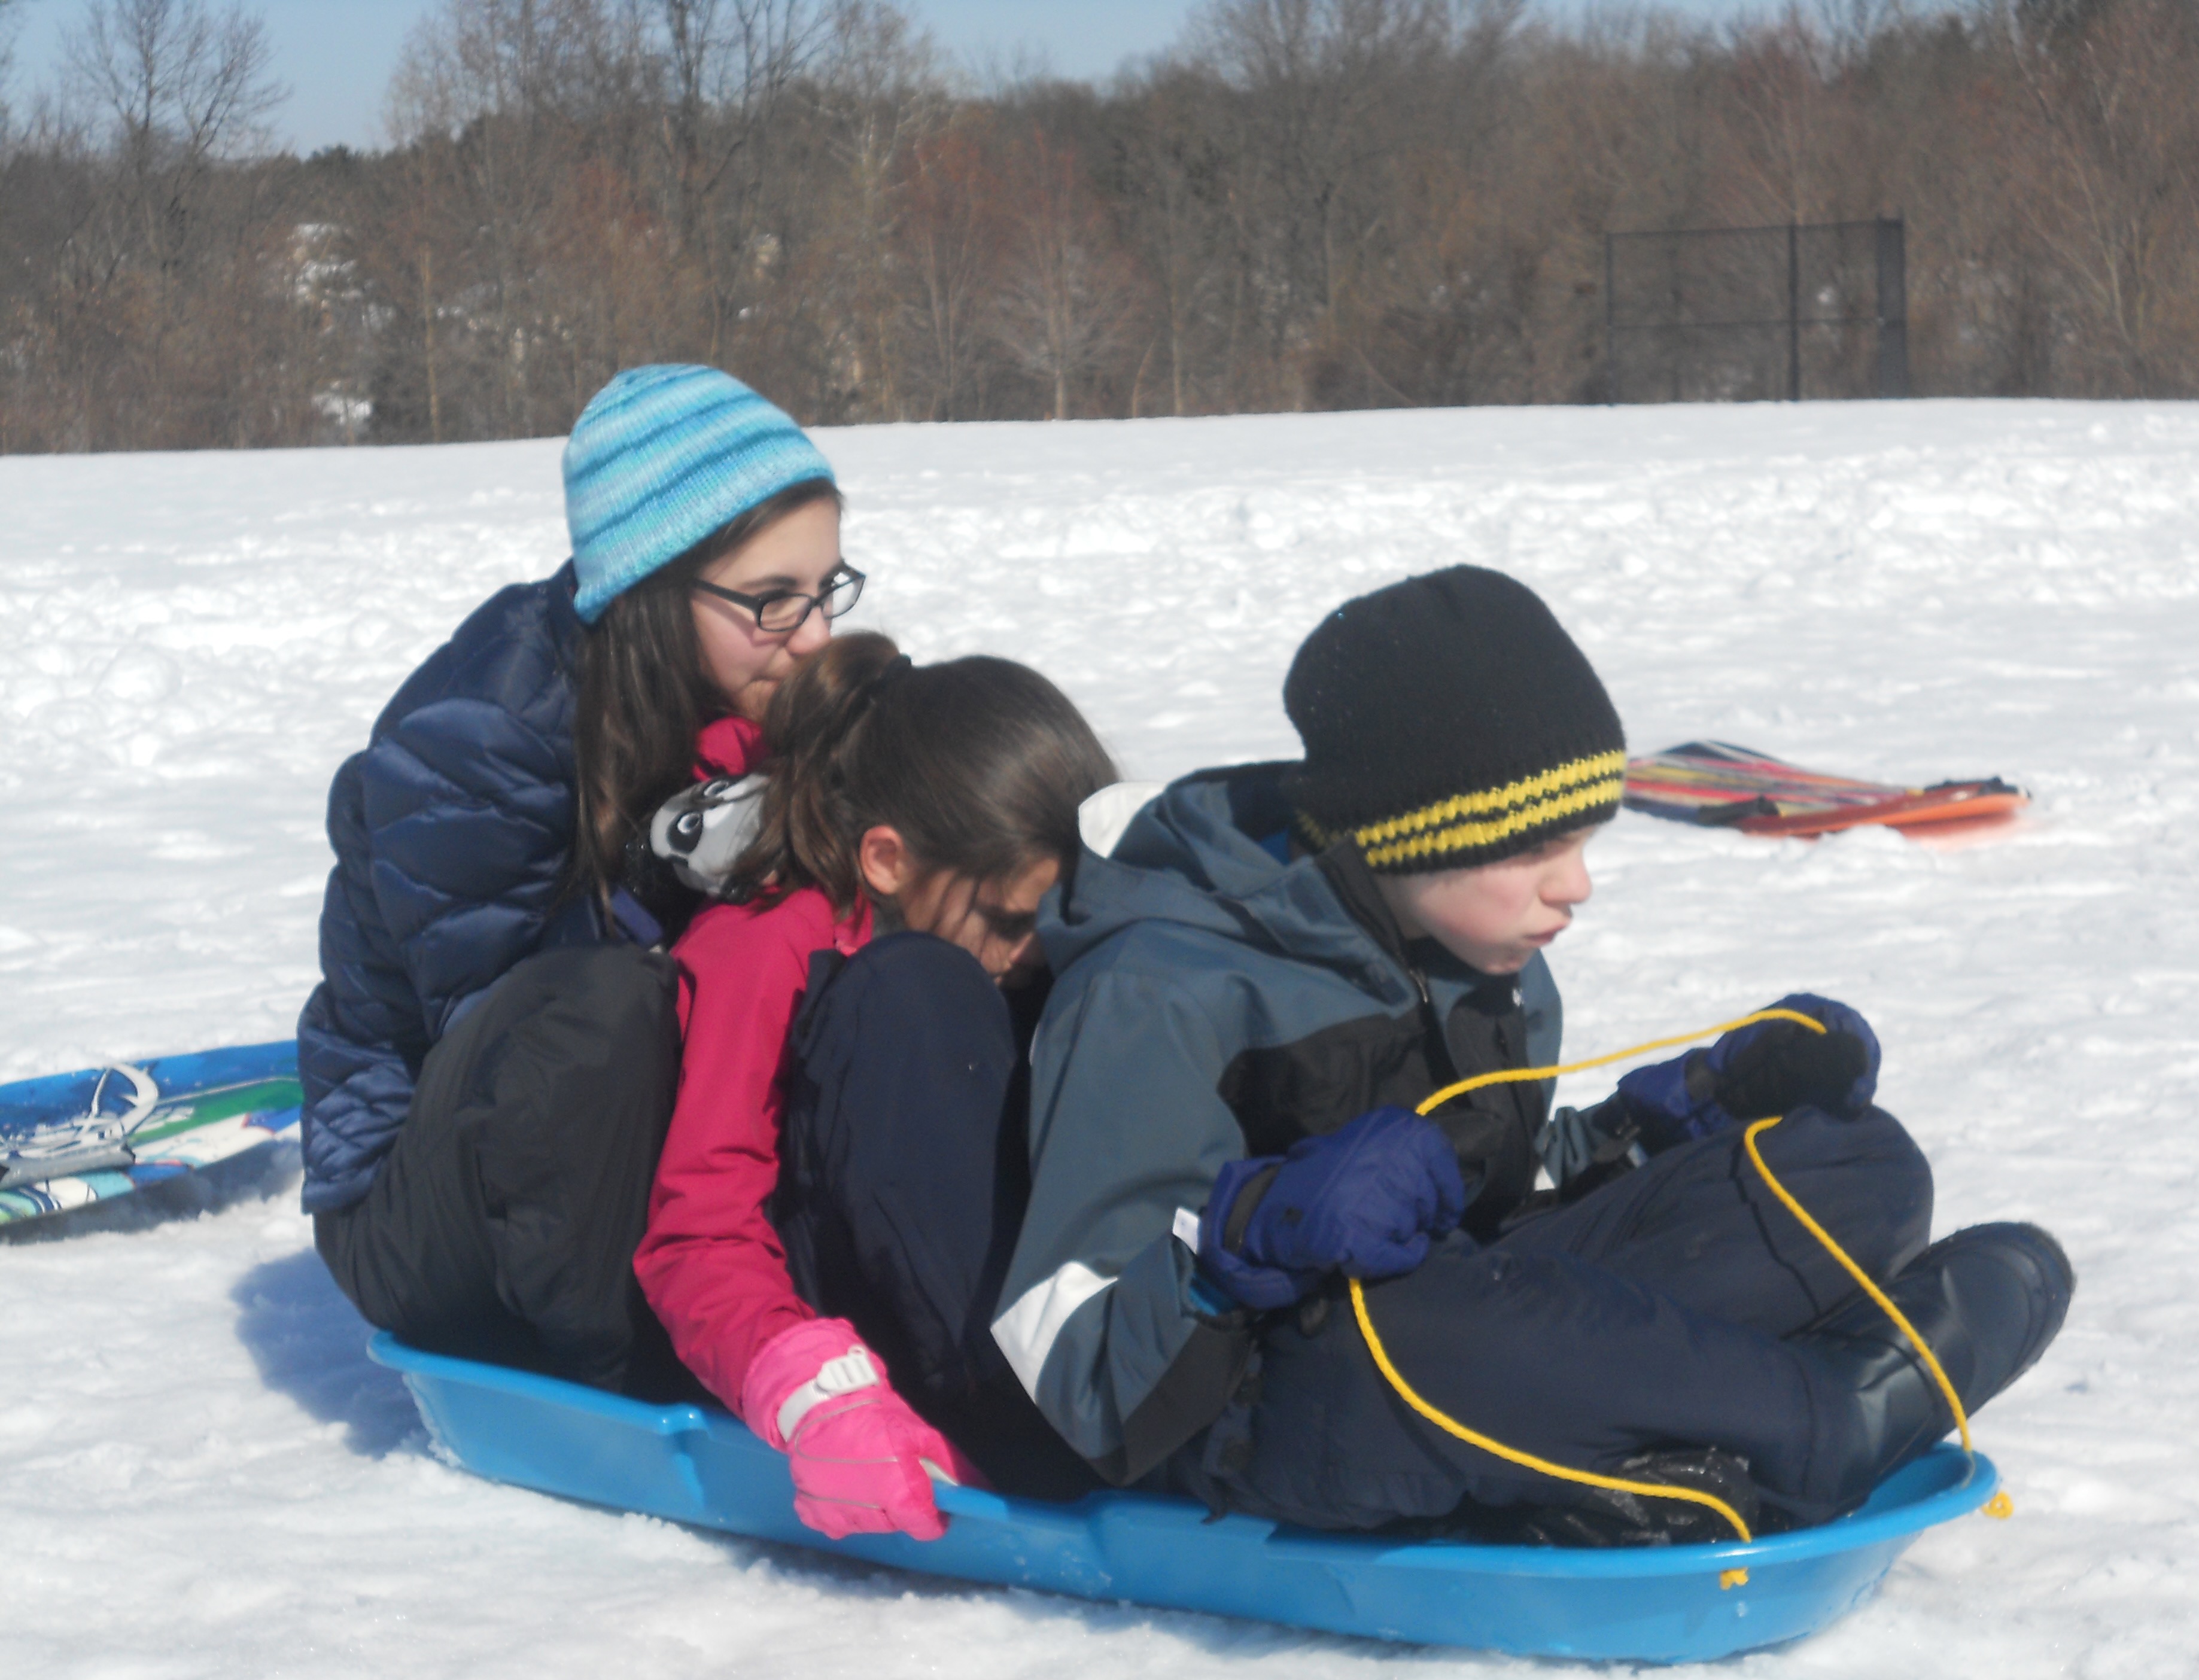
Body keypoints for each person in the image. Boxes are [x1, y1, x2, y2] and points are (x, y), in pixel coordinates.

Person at [988, 565, 2075, 1540]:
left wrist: (1673, 1120)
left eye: (1589, 840)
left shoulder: (1476, 947)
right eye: (1539, 848)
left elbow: (1494, 1195)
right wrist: (1249, 1239)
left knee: (1856, 1163)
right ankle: (1826, 1423)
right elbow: (1071, 1361)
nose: (1578, 886)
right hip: (1279, 1396)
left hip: (1475, 1309)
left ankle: (1680, 1425)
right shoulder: (1159, 990)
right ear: (1412, 833)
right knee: (1421, 1327)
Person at [300, 364, 861, 1396]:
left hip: (588, 1163)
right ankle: (634, 1360)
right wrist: (658, 877)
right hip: (422, 1202)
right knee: (603, 1009)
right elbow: (512, 1041)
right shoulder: (479, 737)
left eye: (825, 590)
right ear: (651, 586)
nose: (815, 635)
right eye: (772, 602)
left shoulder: (744, 681)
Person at [632, 632, 1118, 1540]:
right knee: (914, 991)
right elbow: (700, 1228)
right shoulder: (769, 944)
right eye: (1010, 921)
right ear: (888, 860)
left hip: (1018, 1304)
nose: (1028, 955)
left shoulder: (1016, 951)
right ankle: (1017, 1411)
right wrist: (812, 1390)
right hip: (854, 1326)